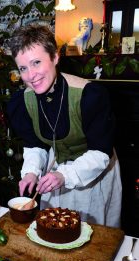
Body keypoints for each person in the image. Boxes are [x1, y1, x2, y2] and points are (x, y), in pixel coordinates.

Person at [7, 24, 122, 228]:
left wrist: (64, 175)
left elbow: (100, 153)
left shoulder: (89, 95)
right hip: (55, 172)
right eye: (23, 68)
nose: (31, 76)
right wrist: (32, 172)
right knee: (54, 231)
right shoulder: (23, 101)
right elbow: (35, 144)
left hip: (94, 174)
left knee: (91, 239)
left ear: (55, 57)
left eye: (36, 63)